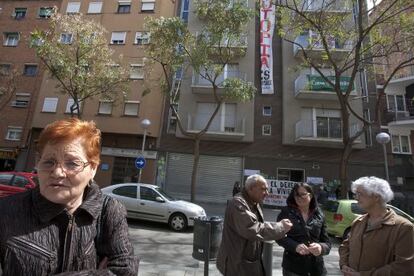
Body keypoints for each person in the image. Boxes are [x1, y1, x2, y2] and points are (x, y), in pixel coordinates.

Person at [0, 118, 139, 275]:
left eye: (72, 164)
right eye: (49, 162)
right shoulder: (6, 211)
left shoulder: (109, 211)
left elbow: (125, 271)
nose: (58, 172)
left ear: (93, 168)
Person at [217, 174, 293, 276]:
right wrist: (280, 227)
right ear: (251, 189)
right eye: (263, 189)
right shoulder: (238, 203)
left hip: (248, 263)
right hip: (236, 264)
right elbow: (252, 229)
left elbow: (258, 225)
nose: (267, 193)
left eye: (267, 189)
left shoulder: (254, 202)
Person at [339, 176, 414, 275]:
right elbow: (345, 246)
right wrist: (344, 265)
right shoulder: (358, 221)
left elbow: (404, 266)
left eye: (360, 194)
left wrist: (363, 275)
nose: (356, 198)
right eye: (356, 194)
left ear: (376, 197)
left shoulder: (403, 227)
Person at [277, 183, 331, 276]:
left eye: (303, 194)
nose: (299, 197)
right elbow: (278, 236)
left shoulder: (319, 214)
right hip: (293, 268)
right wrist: (295, 246)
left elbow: (327, 243)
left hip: (316, 268)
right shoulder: (286, 212)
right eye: (296, 194)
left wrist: (321, 248)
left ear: (311, 195)